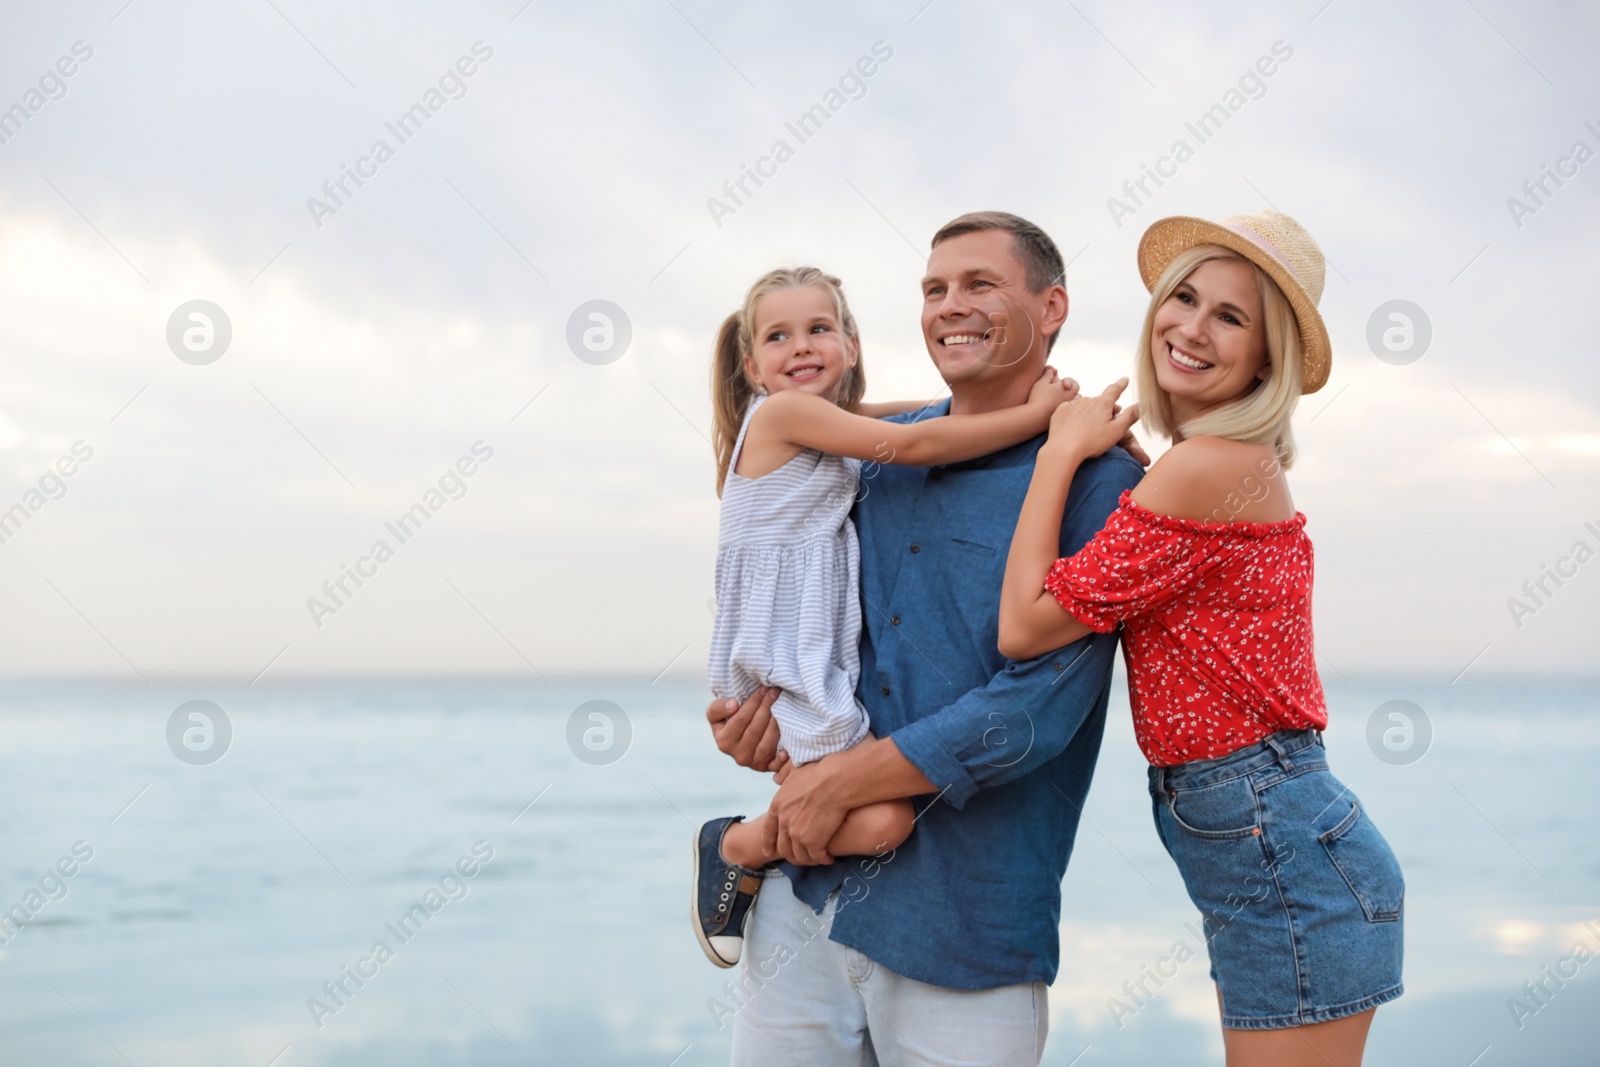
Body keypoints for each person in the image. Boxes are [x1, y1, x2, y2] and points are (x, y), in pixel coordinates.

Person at [706, 214, 1146, 1065]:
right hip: (802, 906)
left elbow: (1034, 709)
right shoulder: (866, 467)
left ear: (1050, 306)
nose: (951, 306)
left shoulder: (1102, 482)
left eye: (981, 284)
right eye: (934, 289)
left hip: (964, 935)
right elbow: (822, 642)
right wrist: (751, 722)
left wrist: (835, 782)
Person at [998, 210, 1404, 1066]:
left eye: (1231, 316)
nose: (1191, 326)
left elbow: (1024, 624)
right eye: (1183, 298)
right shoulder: (1204, 466)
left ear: (1267, 359)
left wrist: (1057, 455)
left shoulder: (1209, 467)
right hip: (1273, 840)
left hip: (1279, 843)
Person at [694, 265, 1079, 969]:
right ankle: (735, 843)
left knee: (871, 817)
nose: (801, 346)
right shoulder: (782, 414)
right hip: (784, 664)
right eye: (779, 336)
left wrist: (1012, 401)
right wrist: (1044, 424)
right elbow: (915, 445)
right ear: (753, 364)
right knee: (884, 821)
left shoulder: (829, 423)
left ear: (850, 344)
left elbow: (923, 419)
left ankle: (758, 848)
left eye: (818, 329)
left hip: (807, 658)